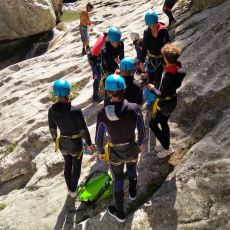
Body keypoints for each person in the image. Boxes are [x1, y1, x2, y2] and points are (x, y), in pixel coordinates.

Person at [95, 74, 145, 223]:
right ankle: (132, 193)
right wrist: (140, 143)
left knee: (117, 178)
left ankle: (120, 213)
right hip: (132, 148)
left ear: (108, 93)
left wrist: (102, 152)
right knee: (131, 169)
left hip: (115, 152)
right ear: (124, 89)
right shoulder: (135, 108)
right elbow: (141, 131)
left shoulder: (103, 114)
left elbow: (99, 138)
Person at [48, 79, 93, 197]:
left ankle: (69, 189)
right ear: (68, 92)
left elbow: (52, 129)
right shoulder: (75, 110)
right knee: (76, 166)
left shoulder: (51, 110)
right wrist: (89, 142)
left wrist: (56, 141)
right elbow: (83, 129)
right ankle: (73, 190)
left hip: (63, 142)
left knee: (67, 165)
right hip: (76, 143)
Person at [147, 43, 186, 158]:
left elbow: (162, 95)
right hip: (172, 101)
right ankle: (166, 143)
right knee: (163, 122)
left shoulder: (169, 76)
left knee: (152, 124)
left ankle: (167, 148)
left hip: (164, 104)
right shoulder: (178, 69)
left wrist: (152, 89)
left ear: (165, 58)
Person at [140, 10, 171, 106]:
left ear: (157, 22)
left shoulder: (163, 30)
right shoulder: (147, 32)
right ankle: (149, 96)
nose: (151, 27)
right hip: (151, 59)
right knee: (150, 77)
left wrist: (168, 58)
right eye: (149, 25)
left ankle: (155, 95)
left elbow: (168, 42)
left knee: (158, 77)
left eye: (152, 25)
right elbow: (144, 47)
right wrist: (142, 62)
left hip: (161, 59)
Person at [101, 27, 124, 105]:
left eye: (117, 41)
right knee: (108, 92)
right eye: (114, 42)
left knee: (120, 88)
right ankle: (107, 106)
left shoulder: (121, 44)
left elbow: (122, 57)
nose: (116, 44)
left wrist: (121, 62)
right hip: (107, 70)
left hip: (115, 67)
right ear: (110, 40)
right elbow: (104, 65)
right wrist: (113, 71)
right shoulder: (104, 48)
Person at [87, 31, 108, 102]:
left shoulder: (102, 36)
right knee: (97, 77)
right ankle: (95, 97)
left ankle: (96, 93)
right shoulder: (106, 41)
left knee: (98, 75)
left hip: (92, 56)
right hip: (94, 60)